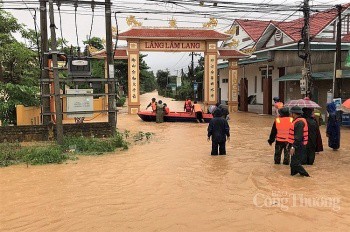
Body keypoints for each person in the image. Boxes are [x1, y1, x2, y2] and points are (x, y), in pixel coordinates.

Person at [288, 106, 310, 177]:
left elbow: (298, 137)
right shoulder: (297, 121)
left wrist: (293, 147)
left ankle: (307, 176)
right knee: (293, 164)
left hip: (298, 146)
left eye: (291, 113)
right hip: (297, 144)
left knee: (295, 164)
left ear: (294, 114)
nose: (290, 114)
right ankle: (293, 176)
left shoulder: (299, 122)